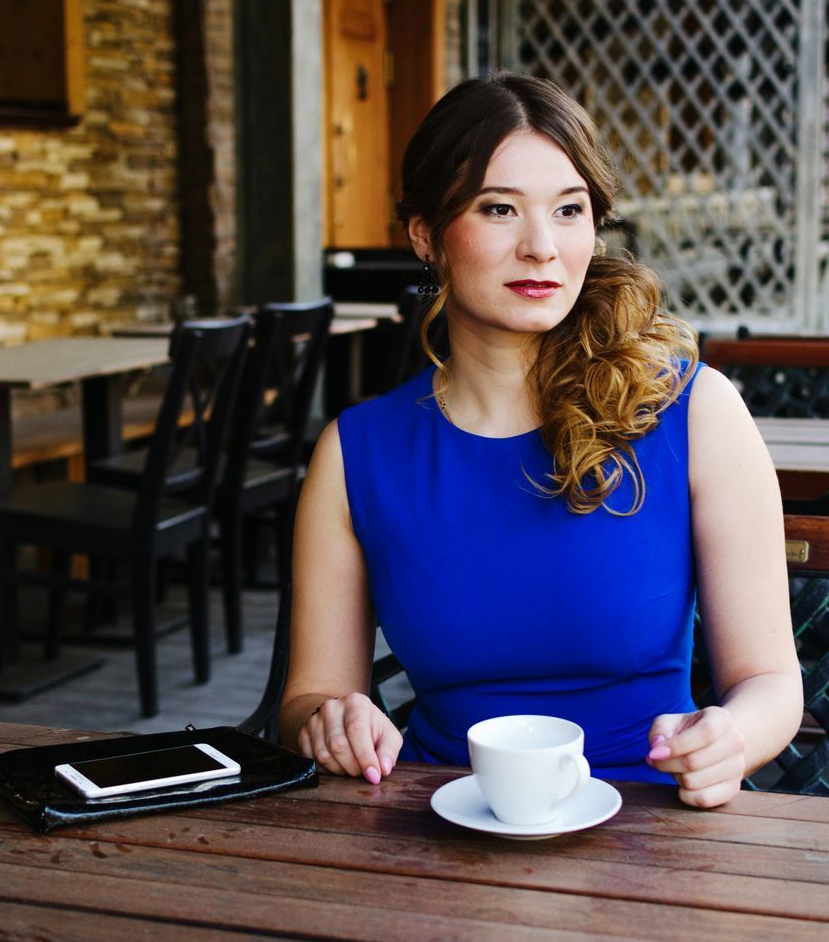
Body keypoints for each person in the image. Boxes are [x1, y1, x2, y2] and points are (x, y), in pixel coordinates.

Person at [281, 72, 802, 808]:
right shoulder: (356, 452)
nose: (540, 247)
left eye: (568, 210)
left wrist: (732, 738)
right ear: (426, 235)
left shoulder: (697, 413)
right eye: (499, 209)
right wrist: (333, 720)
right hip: (438, 822)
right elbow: (309, 696)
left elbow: (772, 681)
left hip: (653, 824)